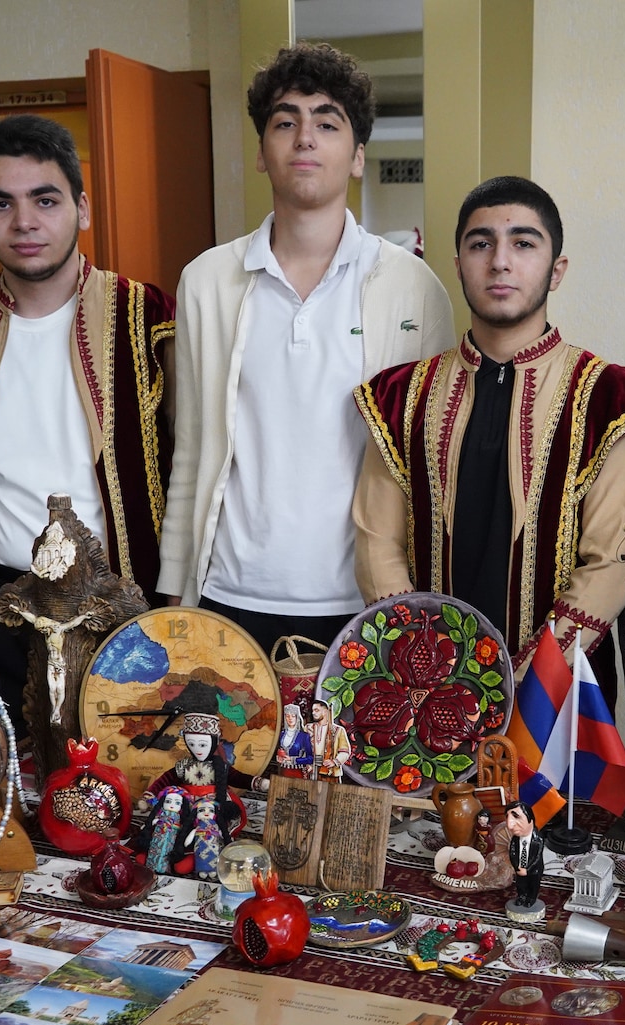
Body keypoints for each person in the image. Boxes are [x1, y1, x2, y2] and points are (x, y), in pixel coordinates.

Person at [159, 43, 452, 650]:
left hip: (364, 598)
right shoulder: (207, 281)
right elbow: (191, 449)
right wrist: (175, 592)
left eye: (327, 122)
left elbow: (433, 462)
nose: (305, 138)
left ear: (357, 155)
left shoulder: (413, 288)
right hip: (228, 594)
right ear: (262, 152)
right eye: (285, 122)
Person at [0, 114, 174, 731]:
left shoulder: (147, 318)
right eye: (1, 203)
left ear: (82, 208)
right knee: (14, 770)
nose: (24, 222)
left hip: (126, 600)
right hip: (3, 605)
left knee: (131, 769)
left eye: (45, 200)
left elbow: (184, 460)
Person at [353, 177, 625, 683]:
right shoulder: (400, 396)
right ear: (458, 266)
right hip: (426, 684)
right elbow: (376, 542)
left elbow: (611, 561)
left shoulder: (607, 394)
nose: (500, 261)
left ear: (557, 270)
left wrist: (522, 681)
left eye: (524, 243)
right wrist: (427, 663)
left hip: (557, 694)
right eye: (481, 244)